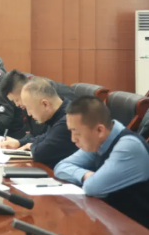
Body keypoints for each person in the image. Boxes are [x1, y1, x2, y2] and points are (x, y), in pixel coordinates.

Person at [54, 96, 149, 228]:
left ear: (99, 130)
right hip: (113, 221)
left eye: (76, 132)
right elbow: (61, 167)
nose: (73, 139)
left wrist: (90, 179)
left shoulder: (128, 147)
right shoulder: (99, 141)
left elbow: (92, 188)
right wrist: (86, 175)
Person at [0, 78, 77, 168]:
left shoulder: (68, 120)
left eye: (29, 108)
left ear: (45, 104)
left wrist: (31, 146)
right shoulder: (57, 114)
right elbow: (43, 137)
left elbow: (40, 153)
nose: (29, 113)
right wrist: (20, 143)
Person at [0, 69, 76, 136]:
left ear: (24, 90)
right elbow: (34, 134)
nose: (17, 105)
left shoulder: (45, 96)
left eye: (16, 100)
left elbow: (44, 136)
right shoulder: (30, 102)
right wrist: (19, 142)